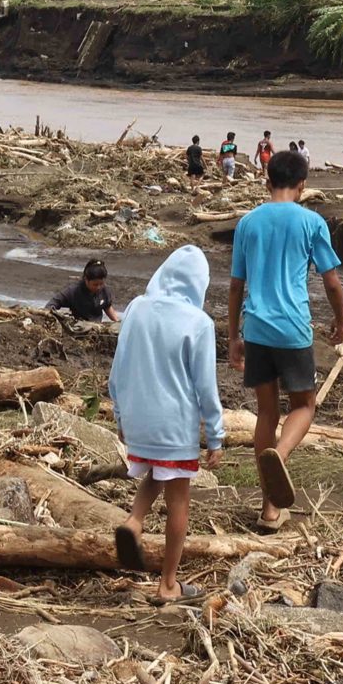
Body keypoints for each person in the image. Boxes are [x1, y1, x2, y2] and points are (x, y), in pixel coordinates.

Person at [228, 148, 343, 531]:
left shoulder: (248, 222)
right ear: (302, 185)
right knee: (305, 405)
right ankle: (279, 454)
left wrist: (233, 336)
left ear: (267, 180)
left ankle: (269, 509)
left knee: (266, 412)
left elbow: (234, 286)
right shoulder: (311, 222)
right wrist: (341, 321)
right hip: (293, 327)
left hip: (257, 327)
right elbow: (331, 282)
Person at [109, 245, 225, 604]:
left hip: (139, 421)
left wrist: (120, 416)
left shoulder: (137, 310)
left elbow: (118, 370)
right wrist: (216, 435)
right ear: (199, 283)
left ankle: (134, 521)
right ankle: (169, 584)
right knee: (179, 501)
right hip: (175, 425)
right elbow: (205, 386)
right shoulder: (199, 322)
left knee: (155, 473)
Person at [47, 259, 121, 323]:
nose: (98, 287)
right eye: (95, 285)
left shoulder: (104, 290)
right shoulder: (73, 291)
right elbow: (53, 303)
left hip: (97, 326)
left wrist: (117, 322)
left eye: (101, 284)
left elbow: (107, 307)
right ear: (86, 279)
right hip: (78, 327)